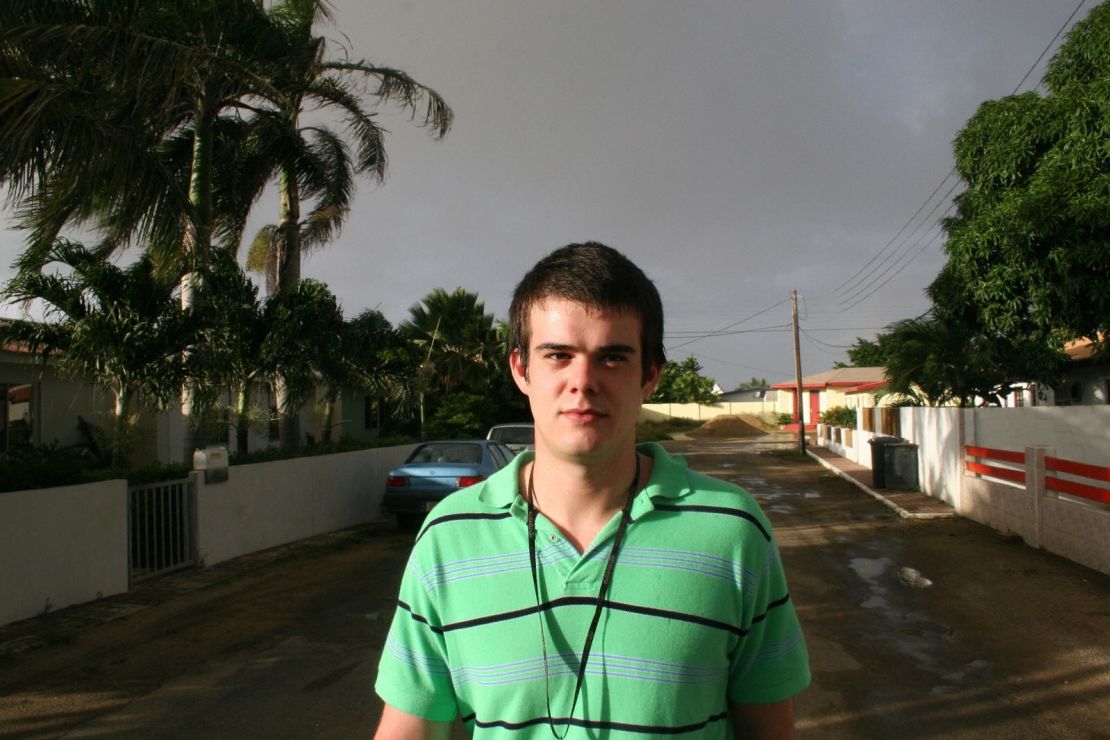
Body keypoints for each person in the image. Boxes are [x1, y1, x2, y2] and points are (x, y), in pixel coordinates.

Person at [375, 242, 810, 738]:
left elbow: (768, 729)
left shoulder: (734, 530)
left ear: (650, 375)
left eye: (612, 358)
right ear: (521, 369)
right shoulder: (449, 536)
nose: (582, 381)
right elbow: (408, 727)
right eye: (558, 355)